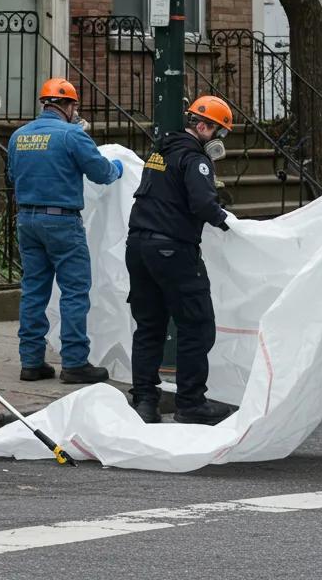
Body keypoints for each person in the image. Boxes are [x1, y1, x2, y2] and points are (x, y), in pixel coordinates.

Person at [125, 94, 237, 425]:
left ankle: (145, 401)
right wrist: (227, 222)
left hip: (139, 247)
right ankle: (190, 403)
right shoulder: (194, 160)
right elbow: (203, 204)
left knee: (149, 326)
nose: (219, 141)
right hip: (173, 250)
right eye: (219, 132)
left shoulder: (159, 152)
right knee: (196, 324)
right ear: (201, 127)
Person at [8, 77, 122, 384]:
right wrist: (119, 168)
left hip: (27, 219)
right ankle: (74, 362)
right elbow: (101, 172)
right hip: (62, 221)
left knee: (33, 290)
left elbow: (12, 174)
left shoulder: (18, 136)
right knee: (73, 290)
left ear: (45, 103)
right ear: (69, 106)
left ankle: (31, 362)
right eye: (74, 106)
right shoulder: (72, 135)